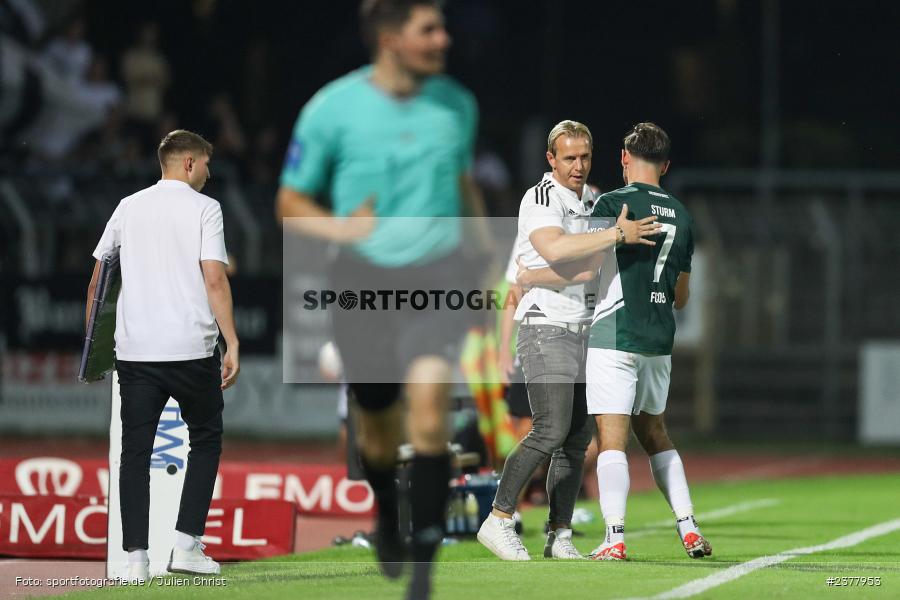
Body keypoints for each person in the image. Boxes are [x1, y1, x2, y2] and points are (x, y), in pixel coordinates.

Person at [276, 1, 481, 598]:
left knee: (431, 410)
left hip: (438, 277)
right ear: (390, 39)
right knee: (376, 432)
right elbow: (290, 201)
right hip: (361, 281)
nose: (444, 39)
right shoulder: (331, 109)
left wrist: (489, 258)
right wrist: (342, 229)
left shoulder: (458, 106)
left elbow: (462, 183)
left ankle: (423, 572)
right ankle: (388, 512)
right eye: (429, 30)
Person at [477, 120, 660, 561]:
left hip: (585, 328)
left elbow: (590, 267)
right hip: (546, 326)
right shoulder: (541, 197)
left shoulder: (593, 200)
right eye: (569, 158)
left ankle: (559, 533)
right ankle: (498, 518)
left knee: (577, 439)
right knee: (550, 428)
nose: (578, 166)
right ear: (551, 159)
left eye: (585, 157)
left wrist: (542, 274)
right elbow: (557, 249)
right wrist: (613, 235)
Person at [86, 129, 240, 581]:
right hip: (191, 349)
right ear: (189, 163)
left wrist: (93, 349)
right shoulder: (205, 208)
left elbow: (97, 284)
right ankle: (187, 547)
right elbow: (214, 278)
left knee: (134, 453)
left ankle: (135, 561)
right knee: (206, 439)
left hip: (136, 353)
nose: (209, 173)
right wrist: (231, 341)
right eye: (206, 163)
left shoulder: (127, 206)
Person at [583, 123, 711, 561]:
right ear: (666, 165)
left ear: (624, 157)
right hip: (658, 338)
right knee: (656, 433)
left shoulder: (611, 203)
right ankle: (689, 527)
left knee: (611, 439)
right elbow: (681, 296)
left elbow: (583, 266)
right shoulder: (683, 215)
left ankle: (614, 537)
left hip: (615, 332)